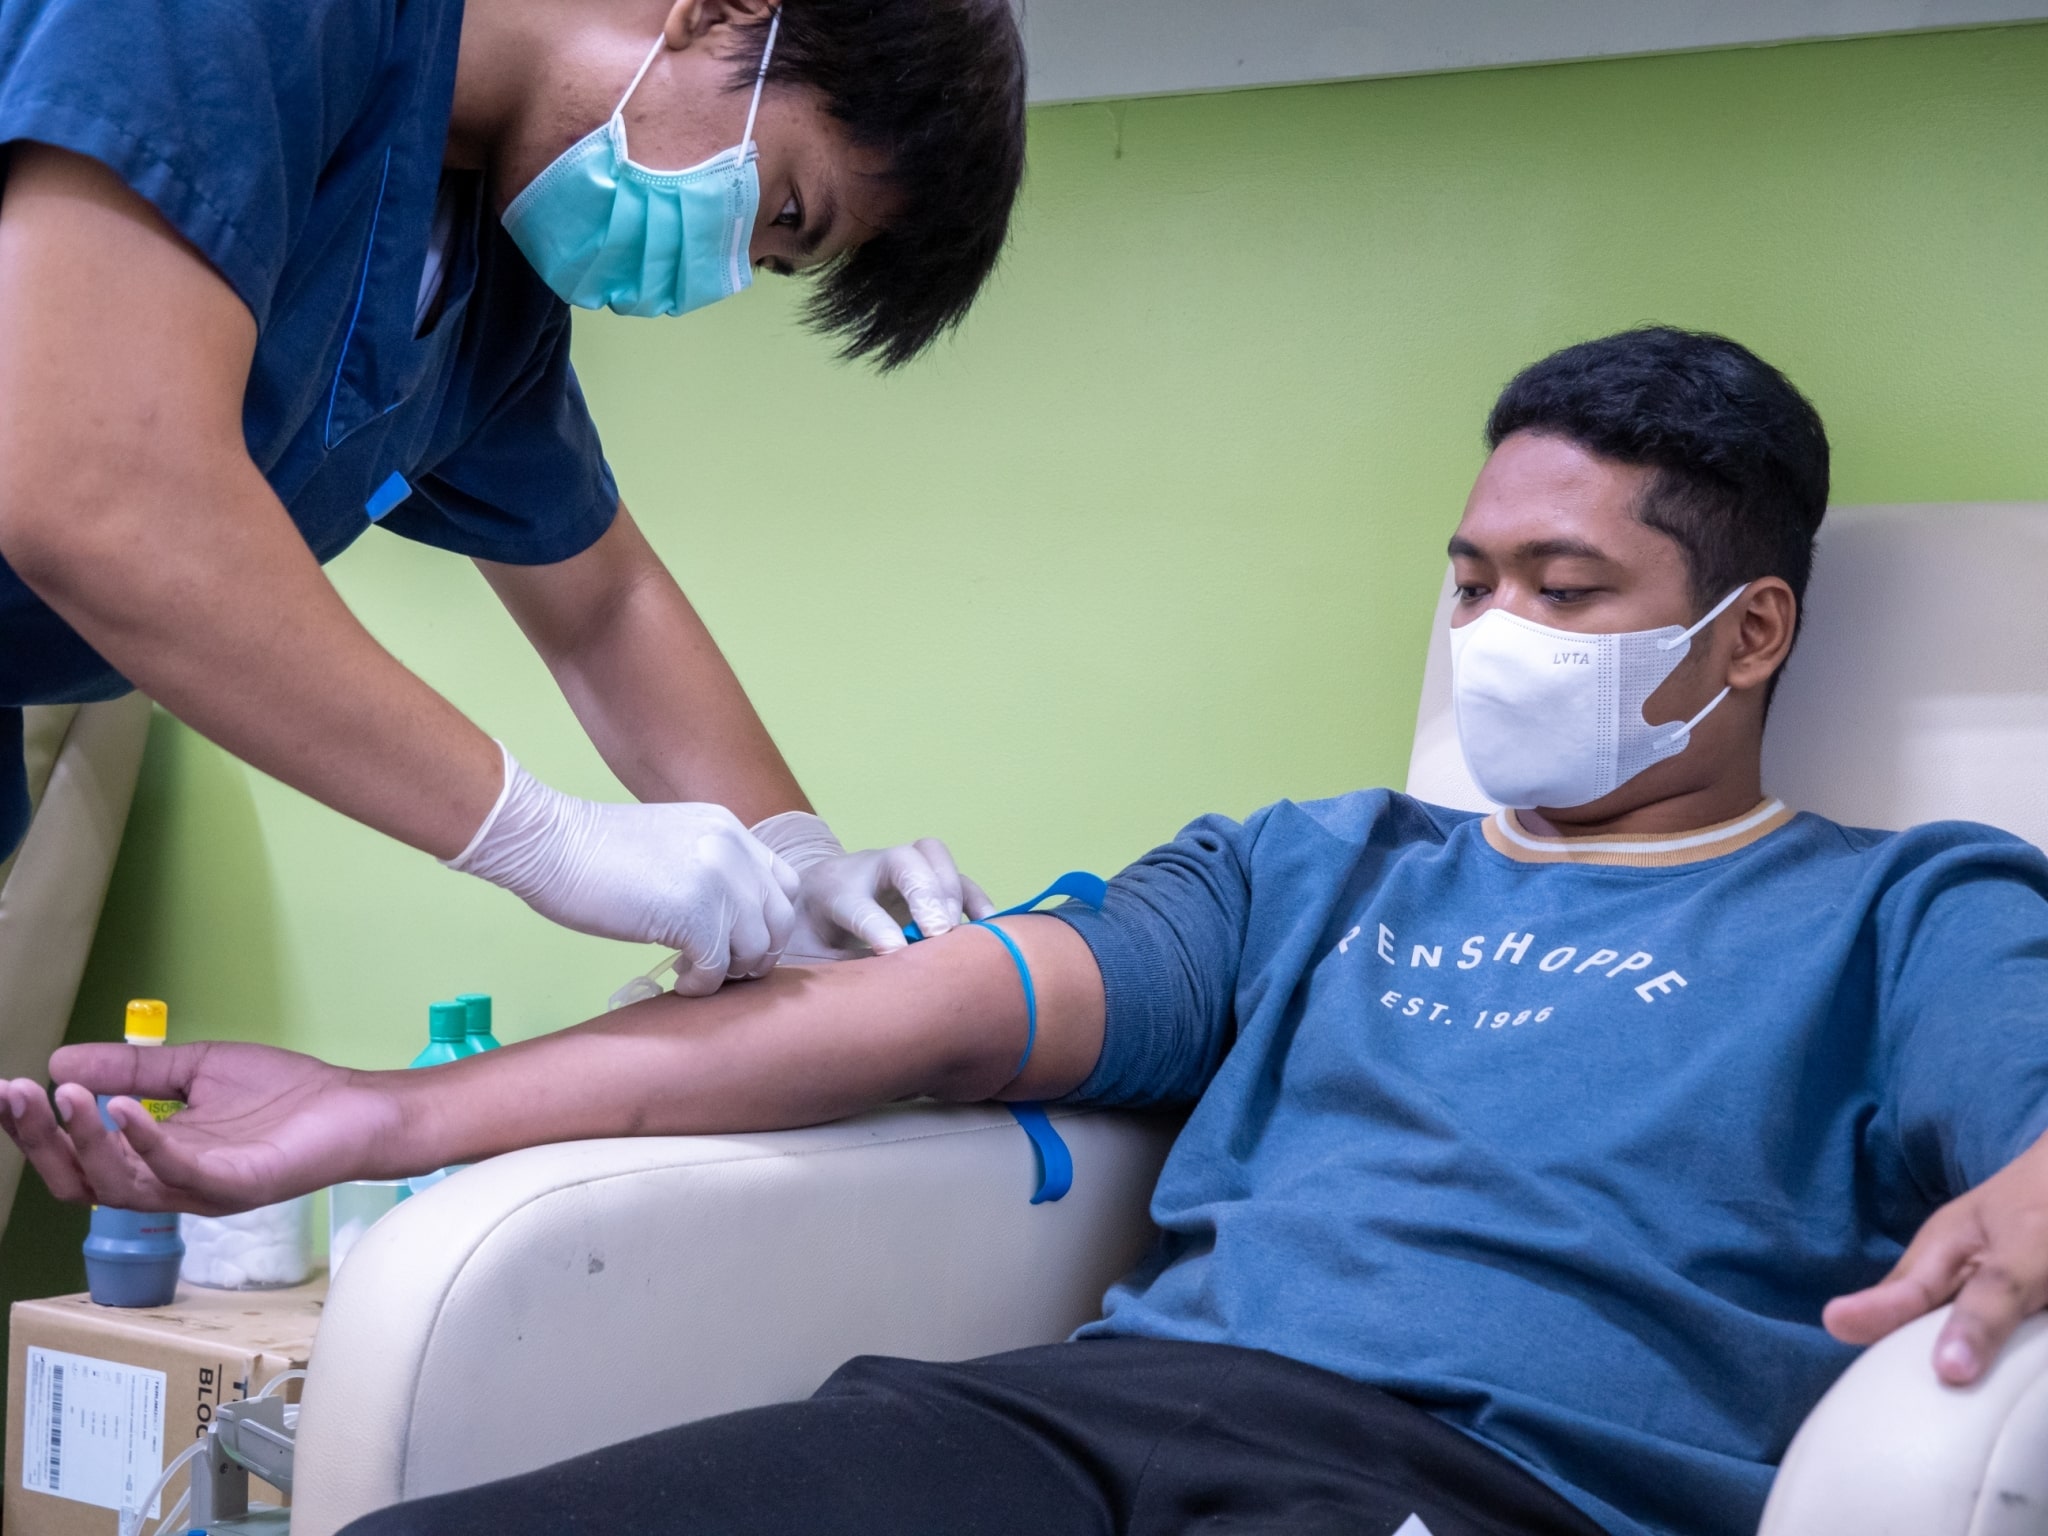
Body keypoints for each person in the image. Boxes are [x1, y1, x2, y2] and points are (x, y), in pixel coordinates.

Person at [10, 328, 2048, 1536]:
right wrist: (378, 1114)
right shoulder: (1305, 870)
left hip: (1478, 1493)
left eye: (1561, 586)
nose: (1488, 634)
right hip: (1069, 1426)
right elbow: (899, 1027)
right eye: (1466, 578)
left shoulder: (1901, 915)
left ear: (1743, 633)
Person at [0, 0, 1028, 989]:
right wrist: (547, 838)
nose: (723, 271)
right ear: (720, 11)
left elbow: (603, 606)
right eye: (787, 210)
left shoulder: (489, 294)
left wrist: (802, 873)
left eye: (768, 261)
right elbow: (102, 496)